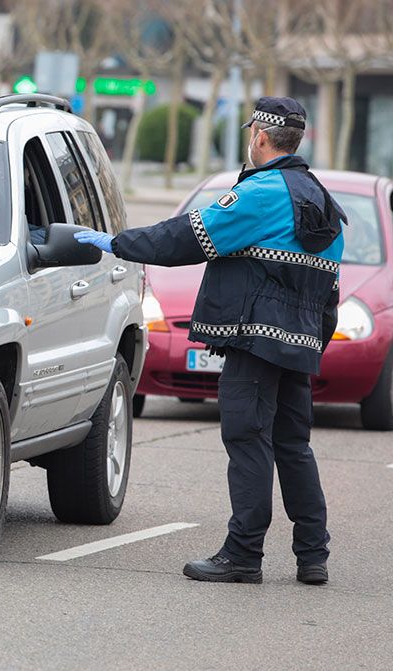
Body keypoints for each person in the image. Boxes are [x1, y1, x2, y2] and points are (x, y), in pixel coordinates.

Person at [74, 97, 345, 585]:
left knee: (247, 440)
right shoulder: (324, 201)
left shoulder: (261, 193)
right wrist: (310, 347)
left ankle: (243, 555)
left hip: (255, 343)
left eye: (251, 134)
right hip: (298, 347)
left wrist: (115, 243)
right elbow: (330, 292)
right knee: (293, 445)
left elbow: (188, 236)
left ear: (260, 137)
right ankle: (312, 556)